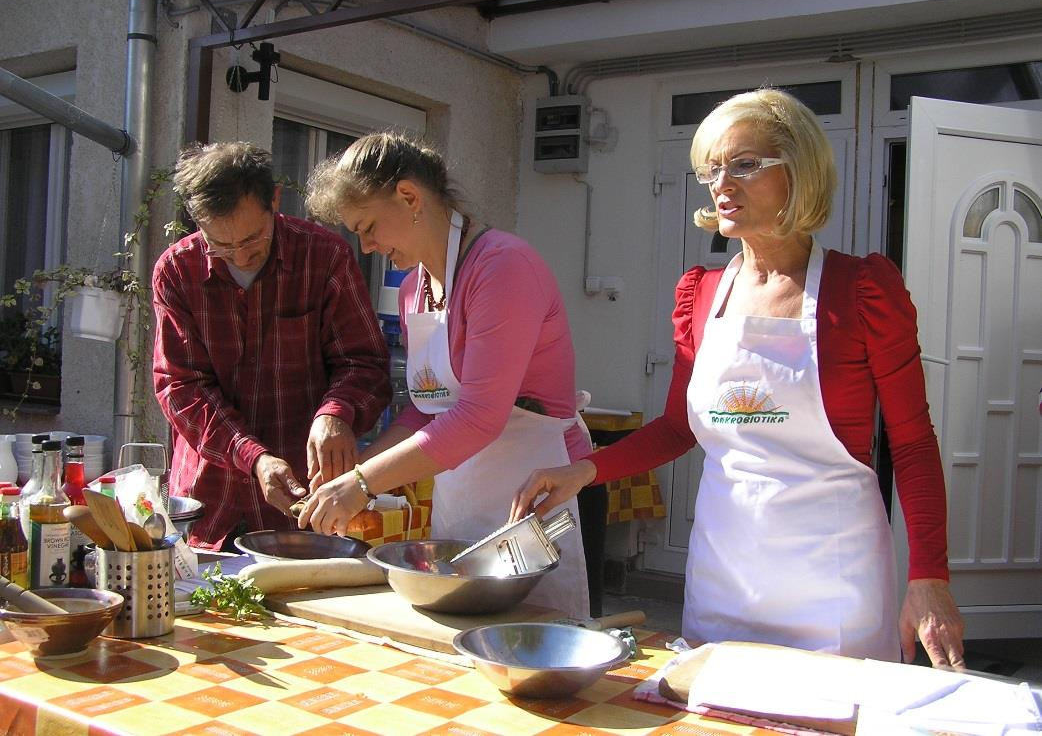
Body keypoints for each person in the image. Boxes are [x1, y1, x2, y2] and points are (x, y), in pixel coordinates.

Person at [512, 89, 965, 665]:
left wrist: (930, 578)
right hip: (723, 574)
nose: (722, 184)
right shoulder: (700, 294)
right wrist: (582, 471)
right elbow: (679, 428)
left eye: (746, 165)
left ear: (799, 171)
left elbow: (914, 443)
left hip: (833, 585)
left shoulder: (863, 292)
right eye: (711, 169)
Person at [300, 132, 591, 619]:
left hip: (530, 504)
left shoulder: (503, 267)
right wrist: (351, 476)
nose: (367, 247)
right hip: (460, 502)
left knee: (525, 644)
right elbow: (426, 408)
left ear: (410, 197)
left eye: (369, 227)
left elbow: (478, 417)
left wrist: (362, 483)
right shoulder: (415, 286)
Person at [153, 141, 390, 550]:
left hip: (312, 506)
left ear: (275, 201)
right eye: (222, 246)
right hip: (211, 504)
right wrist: (253, 457)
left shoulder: (325, 256)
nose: (240, 256)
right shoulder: (176, 271)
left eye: (252, 238)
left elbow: (364, 362)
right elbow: (181, 389)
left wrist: (337, 413)